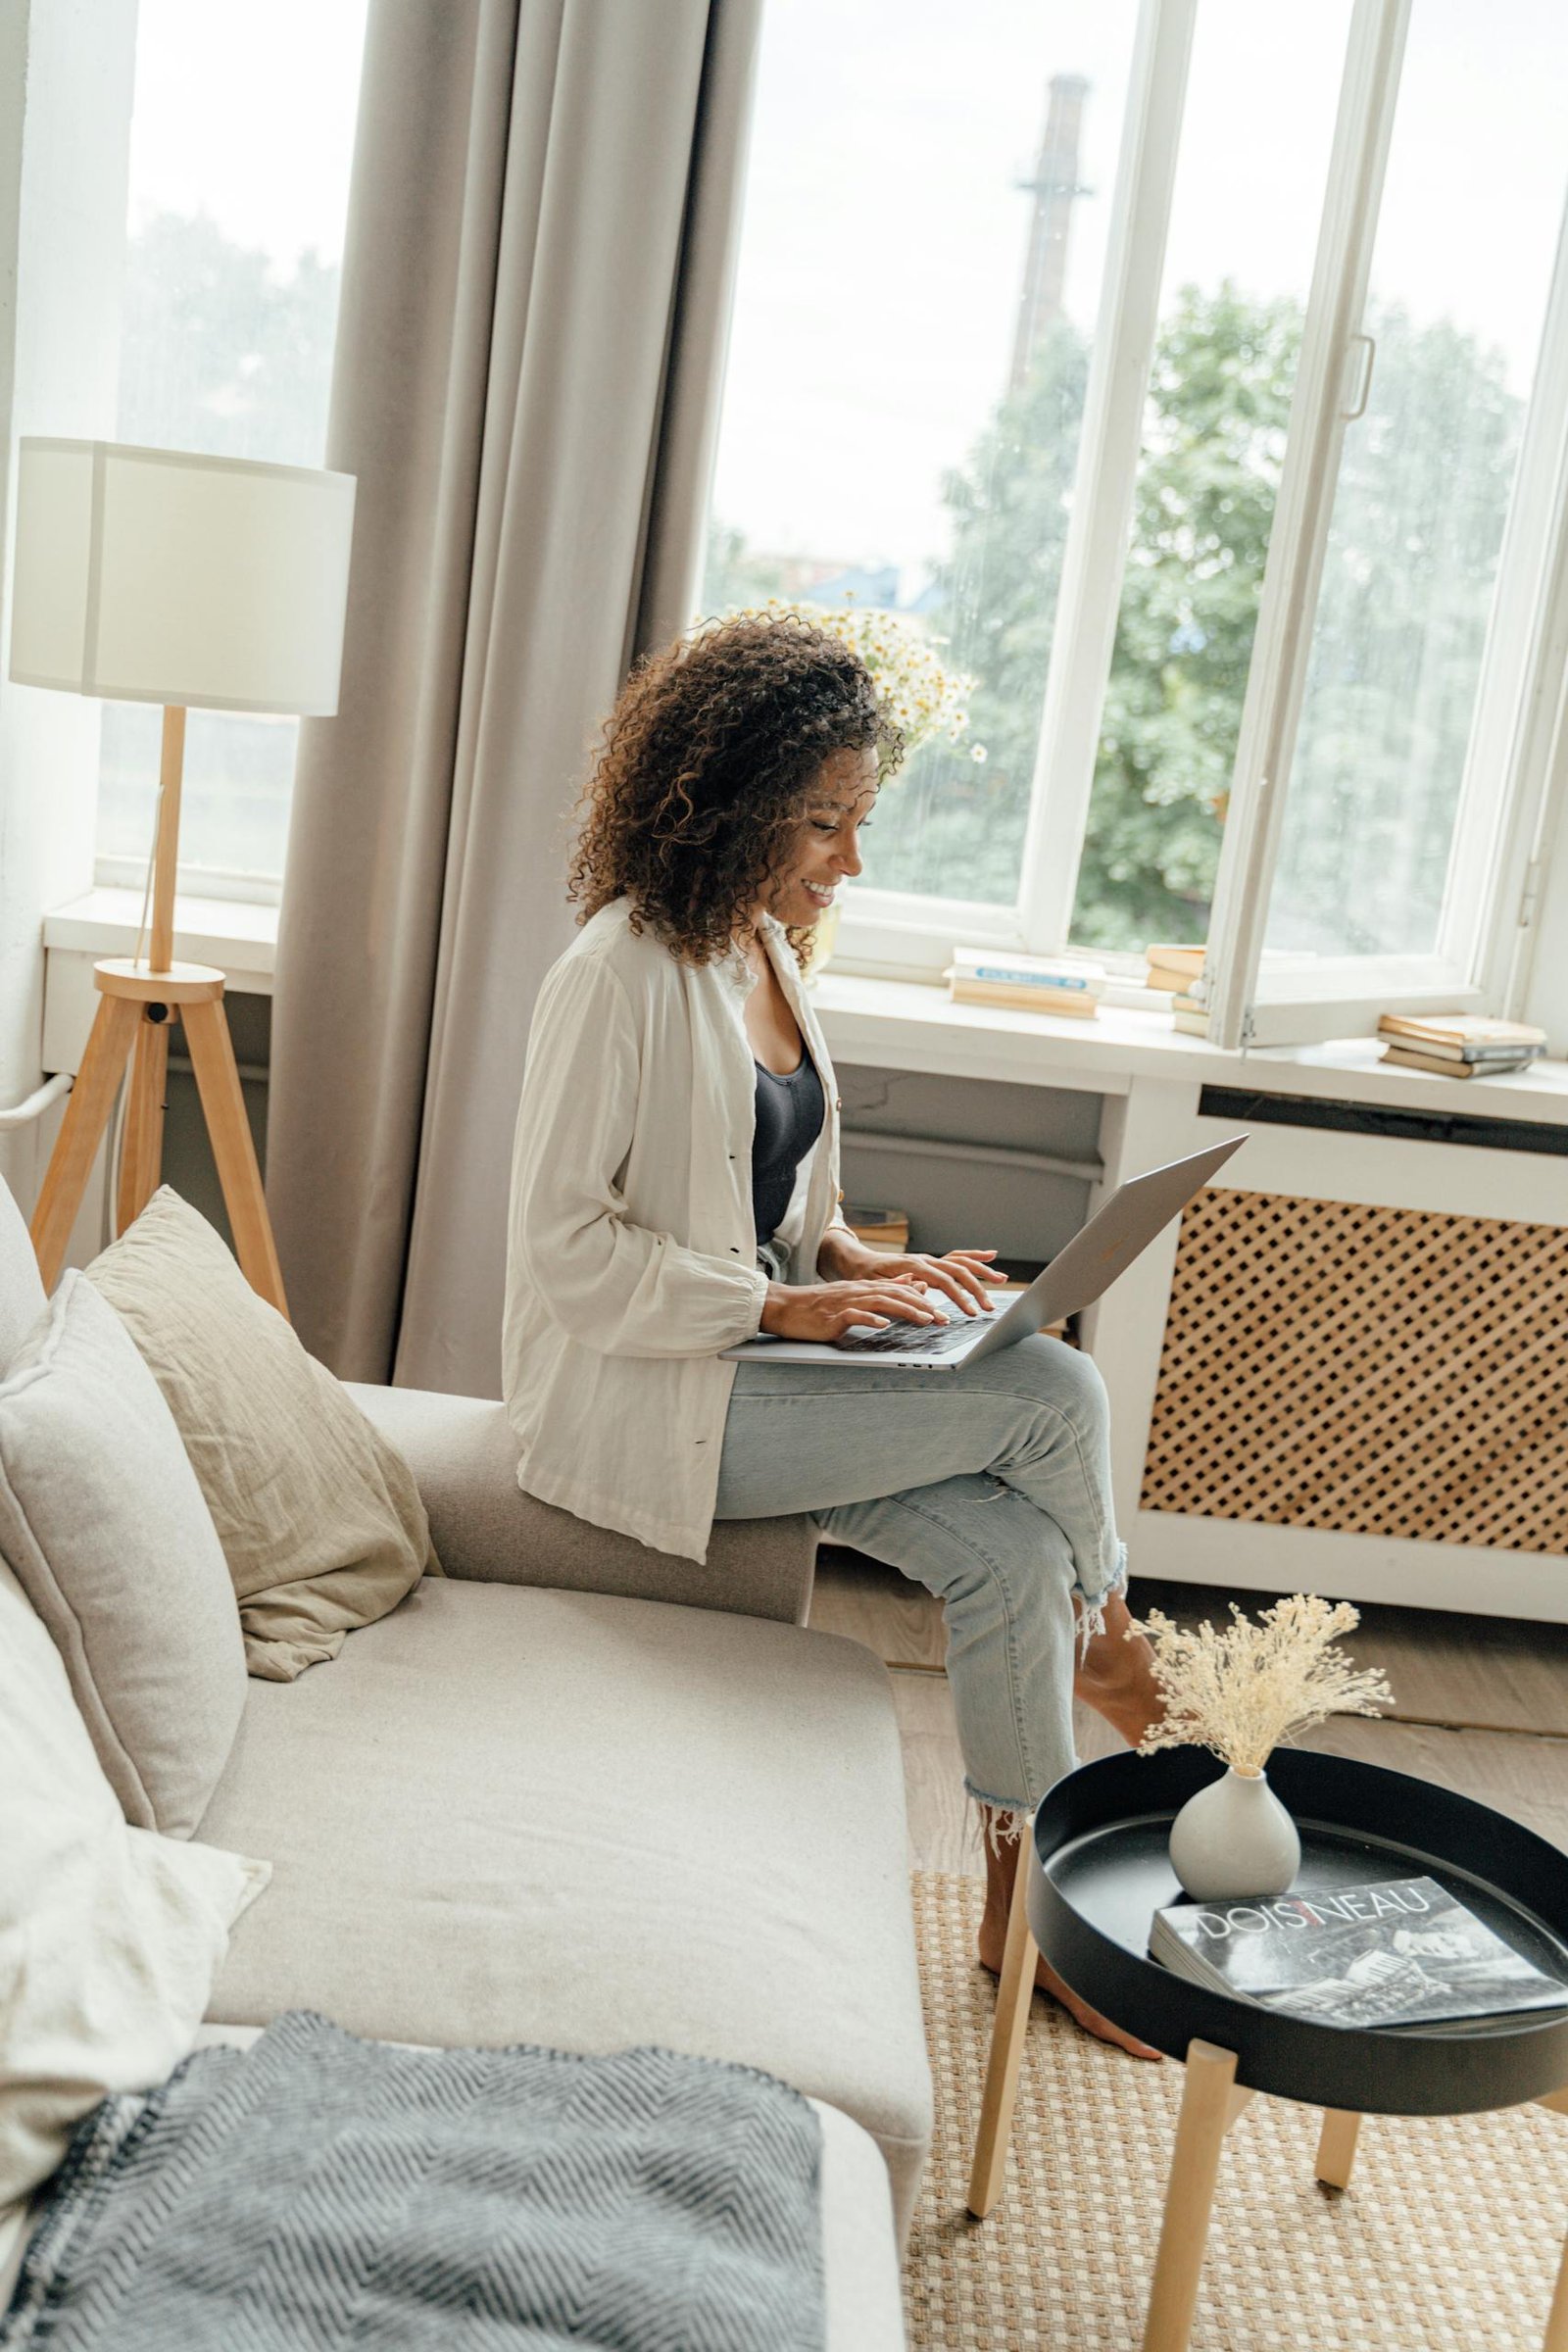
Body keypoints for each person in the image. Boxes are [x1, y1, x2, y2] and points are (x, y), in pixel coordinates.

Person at [505, 612, 1164, 2054]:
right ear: (727, 800)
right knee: (1052, 1393)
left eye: (859, 822)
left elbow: (778, 1190)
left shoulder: (762, 949)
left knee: (1009, 1553)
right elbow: (566, 1250)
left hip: (767, 1365)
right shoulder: (611, 974)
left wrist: (868, 1264)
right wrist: (782, 1303)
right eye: (823, 823)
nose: (846, 861)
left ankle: (1025, 1922)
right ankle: (1114, 1635)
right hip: (660, 1393)